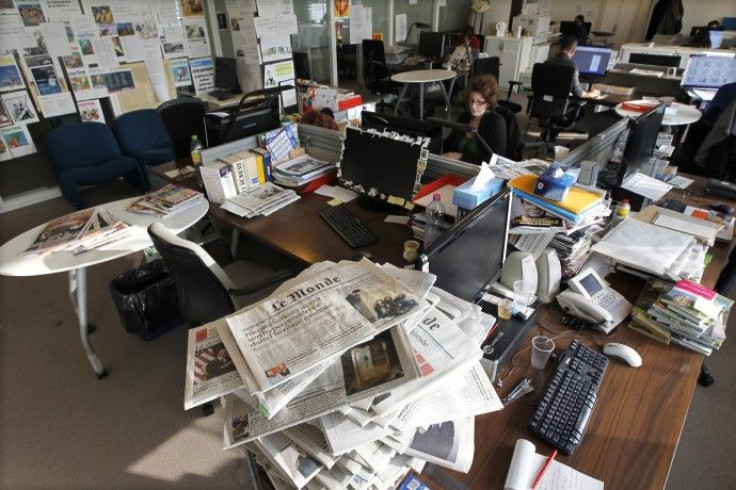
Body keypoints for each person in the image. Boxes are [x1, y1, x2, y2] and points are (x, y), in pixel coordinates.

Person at [443, 75, 507, 165]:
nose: (473, 106)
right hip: (457, 166)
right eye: (471, 100)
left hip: (480, 172)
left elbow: (495, 160)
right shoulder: (464, 117)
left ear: (489, 102)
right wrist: (430, 144)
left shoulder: (496, 123)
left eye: (479, 102)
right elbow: (450, 142)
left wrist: (461, 156)